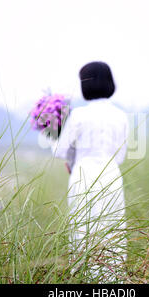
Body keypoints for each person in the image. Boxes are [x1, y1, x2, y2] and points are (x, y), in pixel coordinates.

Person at [51, 61, 129, 282]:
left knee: (82, 229)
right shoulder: (121, 116)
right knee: (112, 230)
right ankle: (112, 281)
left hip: (83, 175)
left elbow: (59, 150)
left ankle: (85, 278)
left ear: (85, 84)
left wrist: (53, 131)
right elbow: (120, 156)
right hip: (111, 176)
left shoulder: (78, 116)